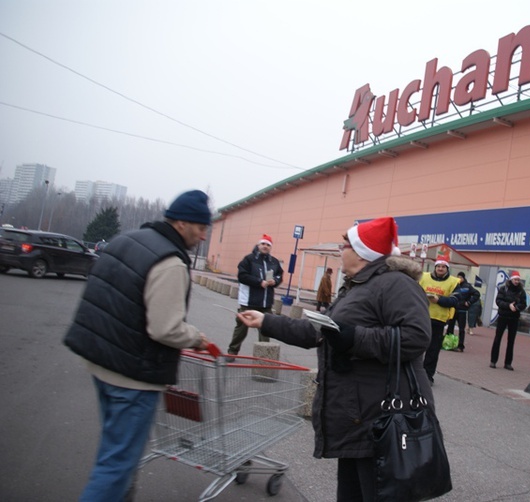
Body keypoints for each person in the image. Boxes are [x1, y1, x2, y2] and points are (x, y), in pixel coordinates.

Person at [236, 217, 434, 500]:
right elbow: (320, 331)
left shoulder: (396, 284)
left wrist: (354, 337)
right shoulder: (358, 286)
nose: (340, 249)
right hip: (358, 416)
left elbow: (416, 337)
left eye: (345, 244)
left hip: (383, 418)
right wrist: (266, 322)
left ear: (362, 251)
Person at [63, 190, 212, 501]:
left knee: (114, 453)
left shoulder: (125, 240)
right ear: (182, 223)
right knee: (116, 465)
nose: (203, 235)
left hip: (101, 363)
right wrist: (196, 338)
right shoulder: (170, 262)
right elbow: (165, 329)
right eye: (200, 227)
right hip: (133, 377)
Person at [227, 234, 283, 356]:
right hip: (248, 302)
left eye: (268, 245)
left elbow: (279, 275)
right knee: (241, 329)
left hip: (266, 303)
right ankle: (232, 351)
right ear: (258, 245)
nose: (265, 246)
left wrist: (275, 281)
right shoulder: (248, 259)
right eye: (263, 244)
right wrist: (259, 282)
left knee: (265, 330)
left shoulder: (274, 262)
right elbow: (242, 276)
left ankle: (264, 356)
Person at [420, 260, 460, 383]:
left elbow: (455, 301)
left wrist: (439, 300)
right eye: (438, 266)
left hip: (439, 320)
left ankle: (427, 375)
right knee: (416, 346)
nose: (441, 269)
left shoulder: (453, 282)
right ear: (435, 267)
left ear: (447, 269)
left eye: (443, 267)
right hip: (421, 317)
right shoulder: (423, 277)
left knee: (433, 349)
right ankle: (413, 373)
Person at [490, 270, 527, 371]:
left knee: (511, 341)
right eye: (515, 279)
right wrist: (508, 306)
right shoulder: (503, 289)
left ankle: (508, 363)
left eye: (518, 280)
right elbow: (498, 301)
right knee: (498, 339)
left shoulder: (521, 291)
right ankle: (493, 361)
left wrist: (517, 307)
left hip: (514, 318)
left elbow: (524, 304)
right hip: (503, 316)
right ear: (511, 279)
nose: (517, 281)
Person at [450, 271, 480, 352]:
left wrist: (469, 302)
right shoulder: (454, 285)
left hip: (462, 310)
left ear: (463, 278)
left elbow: (477, 294)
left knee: (461, 329)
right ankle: (449, 344)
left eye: (460, 277)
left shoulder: (468, 287)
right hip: (453, 309)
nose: (459, 279)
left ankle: (460, 346)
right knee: (450, 327)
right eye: (458, 277)